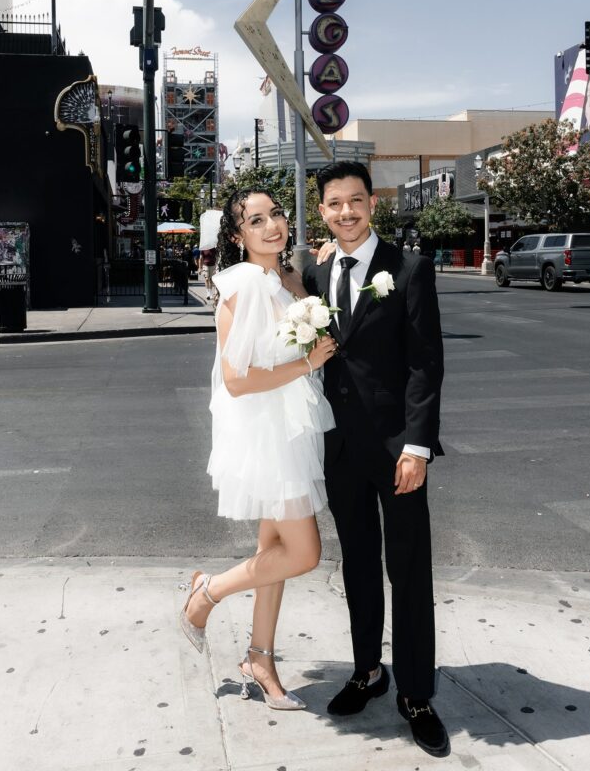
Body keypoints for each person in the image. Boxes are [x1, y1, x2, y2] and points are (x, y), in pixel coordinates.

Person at [303, 160, 448, 758]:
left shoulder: (408, 268)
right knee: (358, 565)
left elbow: (424, 363)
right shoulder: (313, 274)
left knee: (408, 570)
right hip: (339, 449)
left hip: (396, 451)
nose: (346, 213)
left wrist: (417, 445)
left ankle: (416, 693)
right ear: (322, 211)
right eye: (334, 204)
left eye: (355, 201)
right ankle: (368, 671)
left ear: (372, 203)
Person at [180, 189, 337, 710]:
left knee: (274, 555)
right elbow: (236, 380)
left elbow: (295, 298)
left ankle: (260, 658)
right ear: (236, 235)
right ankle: (206, 593)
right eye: (256, 220)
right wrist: (308, 364)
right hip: (269, 434)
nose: (272, 225)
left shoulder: (277, 278)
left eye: (276, 215)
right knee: (303, 553)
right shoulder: (246, 282)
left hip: (288, 428)